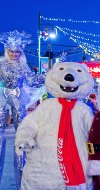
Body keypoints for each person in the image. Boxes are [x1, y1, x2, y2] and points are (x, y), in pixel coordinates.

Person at [0, 30, 45, 188]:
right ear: (7, 51)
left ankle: (21, 169)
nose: (14, 54)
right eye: (11, 51)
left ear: (21, 52)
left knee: (22, 132)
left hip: (18, 101)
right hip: (2, 100)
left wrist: (47, 75)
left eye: (17, 51)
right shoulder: (1, 63)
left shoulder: (23, 66)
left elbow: (32, 81)